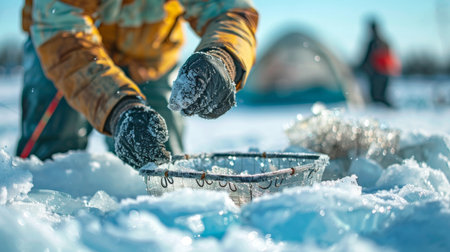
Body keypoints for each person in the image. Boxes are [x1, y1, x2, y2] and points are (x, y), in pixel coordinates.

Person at [17, 0, 258, 169]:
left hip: (150, 61)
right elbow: (61, 30)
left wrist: (223, 56)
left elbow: (230, 9)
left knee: (164, 166)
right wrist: (118, 108)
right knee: (49, 161)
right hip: (64, 52)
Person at [359, 19, 400, 107]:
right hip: (386, 73)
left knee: (376, 97)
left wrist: (360, 68)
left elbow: (366, 58)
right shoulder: (385, 41)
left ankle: (387, 114)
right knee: (383, 96)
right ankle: (391, 112)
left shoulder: (372, 42)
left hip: (375, 74)